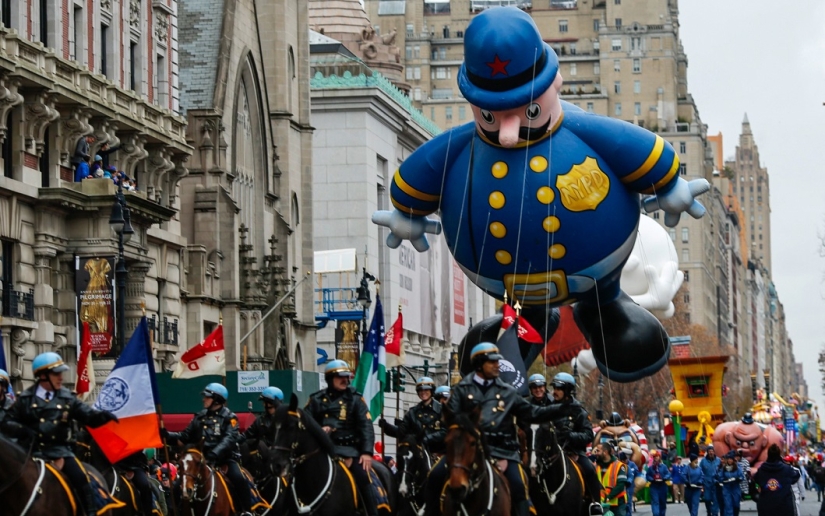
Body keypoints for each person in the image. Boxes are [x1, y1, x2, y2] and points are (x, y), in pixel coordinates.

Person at [423, 343, 575, 516]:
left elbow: (533, 413)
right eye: (492, 362)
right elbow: (449, 421)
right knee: (434, 476)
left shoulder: (507, 391)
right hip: (467, 450)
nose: (497, 365)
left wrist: (563, 408)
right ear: (480, 364)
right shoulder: (461, 390)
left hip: (503, 451)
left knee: (519, 485)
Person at [6, 352, 119, 516]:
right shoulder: (25, 399)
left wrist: (103, 417)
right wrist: (23, 430)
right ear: (43, 376)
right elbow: (7, 422)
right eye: (56, 374)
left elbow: (87, 415)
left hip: (60, 452)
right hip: (31, 453)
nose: (61, 378)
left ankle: (90, 512)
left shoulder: (67, 398)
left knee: (82, 479)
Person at [163, 383, 258, 516]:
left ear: (217, 399)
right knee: (179, 483)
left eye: (207, 397)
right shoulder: (199, 417)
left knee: (239, 479)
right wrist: (168, 435)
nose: (204, 399)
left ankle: (246, 511)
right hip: (201, 460)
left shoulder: (230, 417)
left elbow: (229, 439)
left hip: (224, 459)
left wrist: (214, 454)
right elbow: (184, 436)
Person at [305, 360, 378, 516]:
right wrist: (320, 430)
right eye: (340, 377)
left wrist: (366, 452)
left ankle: (370, 512)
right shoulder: (316, 400)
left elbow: (366, 426)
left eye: (347, 376)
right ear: (330, 379)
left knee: (364, 477)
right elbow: (305, 424)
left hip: (349, 451)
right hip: (322, 451)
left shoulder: (356, 399)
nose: (345, 380)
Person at [547, 372, 604, 515]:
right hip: (552, 454)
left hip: (574, 453)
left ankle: (595, 504)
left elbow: (588, 435)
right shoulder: (548, 409)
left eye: (559, 388)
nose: (555, 392)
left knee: (590, 470)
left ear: (567, 390)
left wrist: (570, 435)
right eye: (554, 388)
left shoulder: (579, 411)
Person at [379, 376, 445, 454]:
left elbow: (446, 431)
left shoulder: (442, 410)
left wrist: (426, 438)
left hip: (438, 452)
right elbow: (402, 431)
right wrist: (387, 427)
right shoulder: (412, 412)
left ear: (431, 391)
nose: (423, 392)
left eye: (426, 390)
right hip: (418, 452)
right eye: (420, 390)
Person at [753, 444, 799, 516]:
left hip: (766, 505)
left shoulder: (762, 469)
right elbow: (796, 477)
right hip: (784, 506)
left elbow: (756, 479)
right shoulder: (786, 469)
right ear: (779, 455)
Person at [522, 373, 554, 461]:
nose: (538, 390)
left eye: (540, 387)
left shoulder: (553, 402)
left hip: (550, 443)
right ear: (531, 390)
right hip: (530, 444)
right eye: (534, 387)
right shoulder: (525, 404)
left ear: (545, 387)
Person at [596, 442, 628, 516]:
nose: (596, 453)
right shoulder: (596, 466)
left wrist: (608, 497)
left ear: (605, 452)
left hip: (618, 502)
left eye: (598, 451)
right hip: (603, 503)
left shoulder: (619, 466)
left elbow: (621, 485)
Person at [717, 451, 744, 516]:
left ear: (733, 460)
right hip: (727, 489)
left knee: (736, 505)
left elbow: (742, 477)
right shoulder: (724, 468)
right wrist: (723, 480)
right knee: (728, 505)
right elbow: (720, 477)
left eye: (731, 459)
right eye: (728, 459)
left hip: (735, 488)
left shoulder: (737, 468)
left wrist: (738, 479)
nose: (729, 460)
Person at [646, 449, 672, 516]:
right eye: (655, 457)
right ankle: (656, 514)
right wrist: (652, 479)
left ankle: (662, 514)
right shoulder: (651, 468)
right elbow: (647, 476)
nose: (656, 458)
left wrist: (664, 478)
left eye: (657, 457)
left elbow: (668, 474)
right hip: (654, 487)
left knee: (662, 502)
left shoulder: (664, 467)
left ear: (659, 457)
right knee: (655, 502)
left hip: (662, 486)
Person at [701, 445, 722, 516]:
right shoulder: (703, 461)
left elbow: (721, 470)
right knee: (707, 499)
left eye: (712, 451)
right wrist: (702, 481)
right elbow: (701, 472)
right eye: (709, 451)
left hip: (716, 484)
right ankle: (709, 511)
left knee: (716, 499)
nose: (711, 453)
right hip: (707, 483)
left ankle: (715, 513)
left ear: (714, 452)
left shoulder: (718, 460)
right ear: (707, 452)